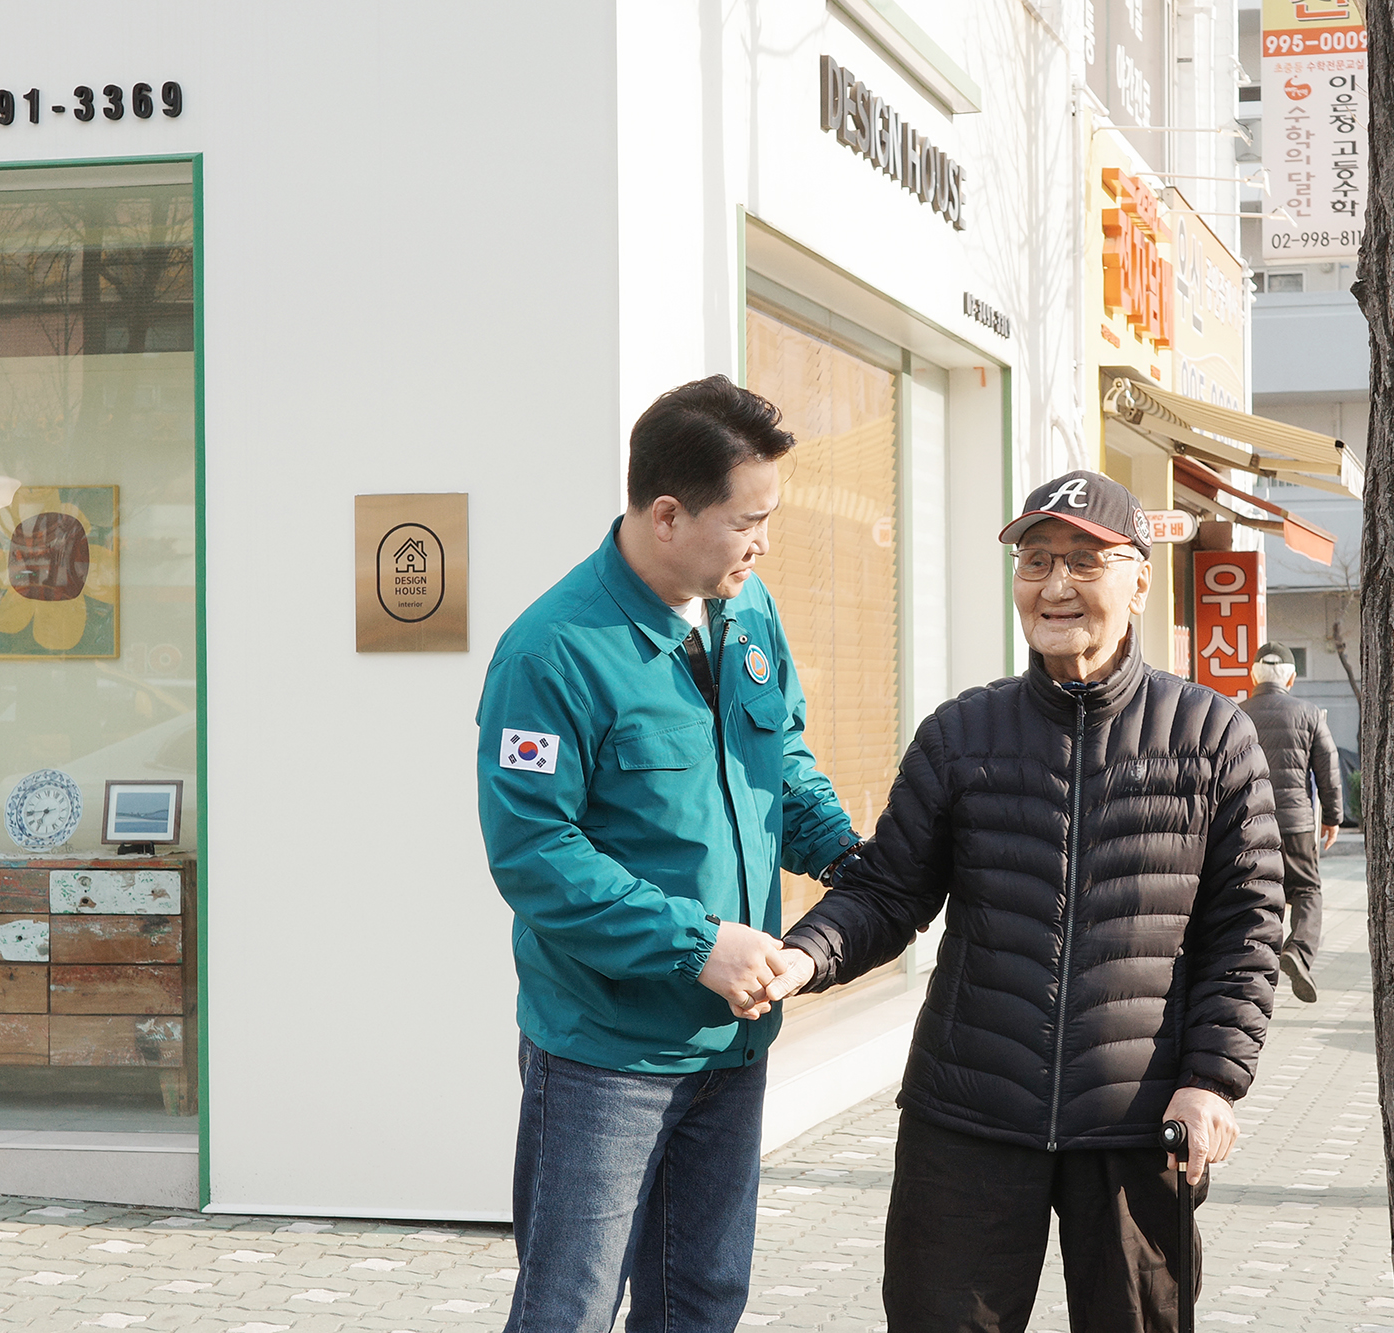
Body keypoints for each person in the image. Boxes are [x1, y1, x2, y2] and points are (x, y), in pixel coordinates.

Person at [761, 470, 1285, 1333]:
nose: (1055, 585)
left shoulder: (1210, 734)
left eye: (1085, 561)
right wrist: (806, 953)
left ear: (1139, 580)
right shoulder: (964, 732)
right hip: (968, 1115)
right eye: (1035, 561)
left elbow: (1246, 928)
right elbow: (889, 889)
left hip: (1137, 1123)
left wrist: (1211, 1081)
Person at [476, 375, 862, 1333]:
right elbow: (533, 850)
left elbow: (782, 759)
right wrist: (698, 944)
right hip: (605, 1054)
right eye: (748, 520)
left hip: (733, 1040)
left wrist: (847, 856)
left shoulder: (748, 609)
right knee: (569, 1304)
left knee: (700, 1301)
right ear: (665, 514)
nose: (763, 542)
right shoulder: (553, 651)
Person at [1238, 641, 1342, 1004]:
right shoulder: (1309, 713)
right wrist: (1333, 818)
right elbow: (1328, 772)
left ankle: (1252, 977)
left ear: (1252, 675)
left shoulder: (1235, 714)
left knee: (1257, 897)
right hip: (1296, 823)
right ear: (1292, 678)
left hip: (1249, 826)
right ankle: (1298, 951)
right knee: (1307, 891)